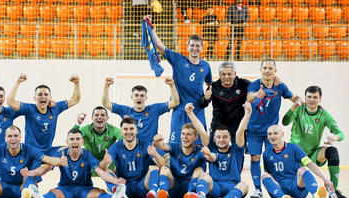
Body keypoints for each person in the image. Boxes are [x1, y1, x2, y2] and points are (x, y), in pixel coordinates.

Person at [144, 15, 212, 144]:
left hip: (197, 111)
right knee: (175, 145)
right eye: (192, 45)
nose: (195, 48)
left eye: (198, 46)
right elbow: (159, 45)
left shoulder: (206, 66)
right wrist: (150, 26)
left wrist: (207, 98)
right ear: (188, 47)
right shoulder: (178, 60)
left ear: (202, 48)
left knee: (199, 145)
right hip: (179, 110)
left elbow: (210, 85)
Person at [20, 128, 127, 198]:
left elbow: (101, 173)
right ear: (67, 142)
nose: (75, 141)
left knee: (99, 193)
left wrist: (116, 181)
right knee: (53, 193)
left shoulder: (87, 155)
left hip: (85, 189)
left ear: (82, 142)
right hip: (65, 189)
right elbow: (45, 169)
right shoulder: (61, 155)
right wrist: (30, 173)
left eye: (77, 139)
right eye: (72, 139)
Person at [246, 59, 300, 198]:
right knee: (255, 157)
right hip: (254, 130)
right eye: (265, 68)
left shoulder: (280, 86)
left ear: (275, 71)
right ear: (260, 70)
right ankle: (257, 189)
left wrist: (304, 103)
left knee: (274, 160)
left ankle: (277, 189)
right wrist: (256, 94)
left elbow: (292, 97)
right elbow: (249, 97)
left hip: (271, 132)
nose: (267, 70)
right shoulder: (254, 85)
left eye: (270, 68)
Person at [282, 86, 347, 198]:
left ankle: (334, 190)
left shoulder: (324, 115)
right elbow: (285, 122)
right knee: (292, 184)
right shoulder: (299, 109)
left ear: (320, 99)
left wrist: (334, 137)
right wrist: (294, 106)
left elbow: (341, 134)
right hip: (295, 154)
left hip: (312, 154)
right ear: (305, 98)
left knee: (332, 152)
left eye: (315, 97)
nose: (312, 100)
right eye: (309, 97)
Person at [185, 102, 251, 198]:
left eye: (225, 137)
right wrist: (190, 113)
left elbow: (240, 131)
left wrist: (247, 114)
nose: (221, 139)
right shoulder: (211, 148)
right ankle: (201, 196)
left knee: (245, 185)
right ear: (214, 139)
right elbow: (202, 131)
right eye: (218, 137)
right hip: (215, 186)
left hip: (233, 187)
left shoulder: (236, 149)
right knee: (203, 175)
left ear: (230, 139)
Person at [7, 74, 81, 155]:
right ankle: (43, 164)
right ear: (35, 98)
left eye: (46, 95)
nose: (43, 97)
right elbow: (10, 102)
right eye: (39, 95)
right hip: (31, 152)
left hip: (48, 151)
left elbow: (75, 99)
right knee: (44, 163)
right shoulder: (29, 109)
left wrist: (76, 83)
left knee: (72, 150)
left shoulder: (55, 108)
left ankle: (48, 164)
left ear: (50, 97)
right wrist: (18, 82)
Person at [261, 125, 334, 198]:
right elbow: (268, 176)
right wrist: (273, 195)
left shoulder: (293, 148)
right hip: (281, 189)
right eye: (269, 134)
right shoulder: (266, 153)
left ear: (282, 134)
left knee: (302, 169)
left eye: (275, 133)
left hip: (296, 188)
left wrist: (325, 179)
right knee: (264, 175)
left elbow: (310, 164)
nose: (272, 136)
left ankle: (316, 195)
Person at [101, 117, 166, 198]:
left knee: (155, 168)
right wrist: (104, 162)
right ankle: (118, 194)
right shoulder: (116, 147)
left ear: (136, 130)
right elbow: (103, 169)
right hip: (124, 188)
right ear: (121, 131)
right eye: (125, 129)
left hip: (142, 187)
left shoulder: (146, 145)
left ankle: (153, 194)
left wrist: (156, 154)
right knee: (108, 172)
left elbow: (163, 165)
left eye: (131, 128)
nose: (128, 132)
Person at [102, 77, 179, 144]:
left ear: (146, 98)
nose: (139, 98)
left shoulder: (154, 109)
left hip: (150, 150)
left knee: (167, 157)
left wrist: (172, 85)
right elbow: (105, 103)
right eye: (136, 95)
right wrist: (106, 86)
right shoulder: (125, 110)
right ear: (132, 97)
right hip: (132, 150)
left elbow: (175, 102)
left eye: (142, 95)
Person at [152, 121, 206, 198]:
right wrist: (157, 141)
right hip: (174, 186)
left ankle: (190, 194)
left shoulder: (200, 152)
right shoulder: (175, 146)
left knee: (199, 170)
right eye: (183, 134)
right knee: (164, 168)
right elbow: (162, 146)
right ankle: (163, 194)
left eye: (189, 134)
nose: (185, 137)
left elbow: (211, 157)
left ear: (196, 137)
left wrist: (209, 154)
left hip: (190, 186)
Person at [198, 62, 250, 141]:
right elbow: (202, 105)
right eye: (223, 74)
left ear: (234, 74)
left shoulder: (243, 84)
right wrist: (205, 98)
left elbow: (259, 86)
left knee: (238, 152)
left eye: (229, 74)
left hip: (237, 126)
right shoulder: (213, 87)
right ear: (219, 75)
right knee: (212, 152)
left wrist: (274, 79)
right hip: (218, 125)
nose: (226, 77)